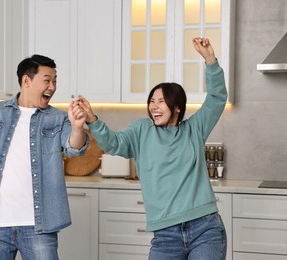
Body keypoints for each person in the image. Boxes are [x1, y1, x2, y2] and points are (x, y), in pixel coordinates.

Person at [78, 37, 228, 259]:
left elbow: (217, 98)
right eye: (152, 101)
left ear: (177, 107)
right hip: (166, 235)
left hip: (205, 228)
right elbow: (114, 143)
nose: (153, 107)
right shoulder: (142, 130)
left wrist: (210, 60)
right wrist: (92, 119)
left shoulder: (194, 129)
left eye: (160, 101)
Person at [0, 54, 89, 260]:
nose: (52, 87)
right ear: (26, 80)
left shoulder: (57, 118)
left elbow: (75, 148)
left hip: (39, 224)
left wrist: (77, 128)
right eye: (47, 80)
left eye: (55, 81)